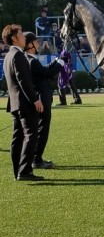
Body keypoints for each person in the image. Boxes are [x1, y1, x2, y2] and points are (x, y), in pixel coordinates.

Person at [2, 24, 44, 181]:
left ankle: (18, 171)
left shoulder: (8, 55)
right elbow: (23, 81)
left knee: (18, 138)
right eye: (21, 34)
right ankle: (25, 171)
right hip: (24, 103)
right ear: (14, 38)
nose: (24, 37)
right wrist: (35, 99)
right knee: (31, 135)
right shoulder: (19, 55)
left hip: (14, 104)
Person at [24, 32, 65, 169]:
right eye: (36, 42)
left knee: (40, 129)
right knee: (42, 130)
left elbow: (44, 70)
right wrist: (62, 62)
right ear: (30, 45)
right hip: (42, 99)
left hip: (42, 98)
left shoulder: (30, 60)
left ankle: (37, 157)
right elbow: (48, 73)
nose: (38, 44)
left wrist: (56, 61)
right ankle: (37, 159)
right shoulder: (32, 61)